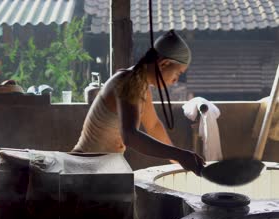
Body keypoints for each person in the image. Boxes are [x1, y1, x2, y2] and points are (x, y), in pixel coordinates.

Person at [72, 30, 205, 175]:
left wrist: (177, 160)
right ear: (164, 64)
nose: (176, 80)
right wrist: (179, 154)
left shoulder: (141, 85)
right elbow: (130, 136)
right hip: (84, 167)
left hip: (99, 168)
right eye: (178, 73)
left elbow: (153, 125)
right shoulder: (129, 80)